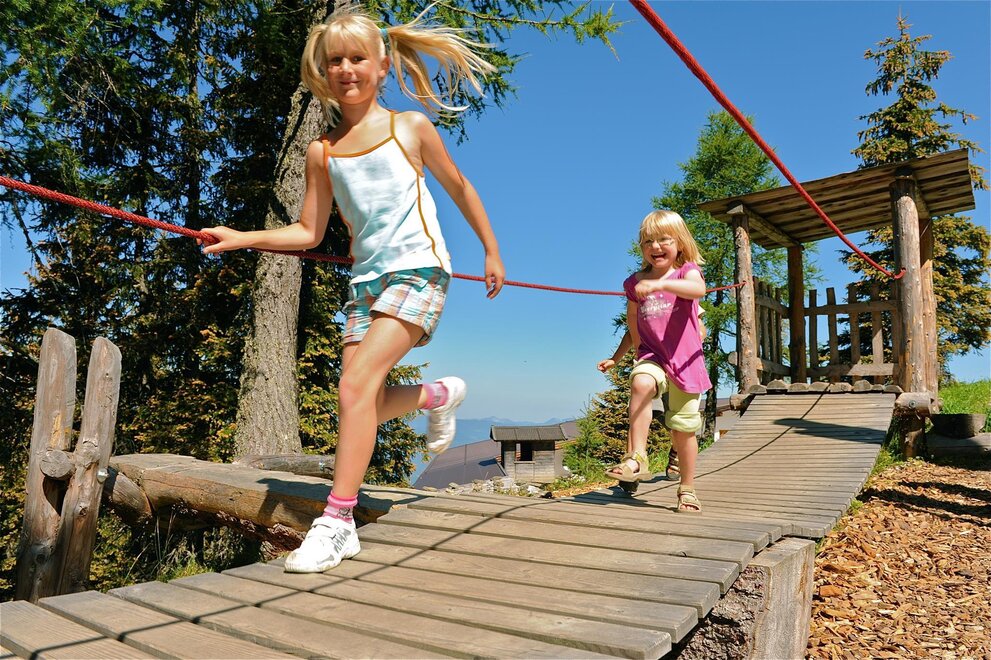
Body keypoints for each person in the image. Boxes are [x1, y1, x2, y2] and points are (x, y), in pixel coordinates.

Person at [200, 2, 504, 571]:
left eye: (357, 58)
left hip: (420, 269)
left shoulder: (408, 127)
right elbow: (308, 231)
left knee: (354, 387)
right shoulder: (323, 152)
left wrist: (490, 248)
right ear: (323, 72)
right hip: (364, 282)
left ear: (382, 66)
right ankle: (438, 396)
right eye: (334, 60)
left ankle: (337, 522)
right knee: (361, 399)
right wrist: (242, 238)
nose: (346, 69)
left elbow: (460, 186)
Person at [597, 210, 710, 512]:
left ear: (680, 243)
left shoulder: (686, 272)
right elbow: (633, 322)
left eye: (664, 240)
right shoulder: (635, 283)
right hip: (652, 355)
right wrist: (619, 357)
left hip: (685, 361)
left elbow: (698, 290)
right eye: (648, 241)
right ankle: (637, 457)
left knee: (683, 429)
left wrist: (661, 285)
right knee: (641, 382)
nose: (655, 246)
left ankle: (687, 487)